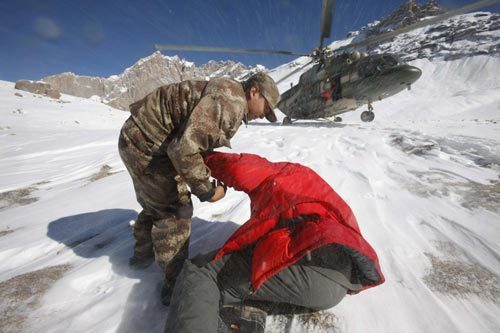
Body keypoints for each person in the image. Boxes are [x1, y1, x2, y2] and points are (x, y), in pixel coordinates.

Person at [165, 152, 385, 333]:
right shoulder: (319, 192)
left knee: (202, 273)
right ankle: (237, 314)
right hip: (336, 287)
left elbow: (238, 167)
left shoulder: (282, 173)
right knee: (235, 285)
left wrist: (199, 158)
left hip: (309, 265)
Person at [118, 72, 280, 303]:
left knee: (157, 200)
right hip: (147, 146)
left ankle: (142, 255)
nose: (264, 115)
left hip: (138, 138)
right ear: (254, 91)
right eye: (267, 108)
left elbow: (194, 140)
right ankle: (174, 287)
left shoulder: (228, 93)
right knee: (175, 212)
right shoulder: (230, 103)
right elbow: (183, 150)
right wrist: (208, 190)